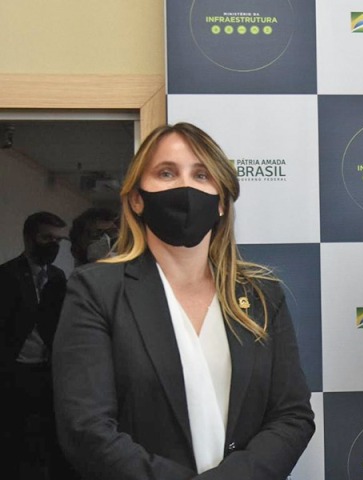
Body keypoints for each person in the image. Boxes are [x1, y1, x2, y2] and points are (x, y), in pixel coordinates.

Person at [52, 122, 315, 479]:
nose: (185, 188)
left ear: (220, 201)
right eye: (166, 173)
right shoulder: (96, 291)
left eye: (201, 175)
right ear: (137, 198)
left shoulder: (261, 295)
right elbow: (86, 429)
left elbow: (292, 415)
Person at [0, 211, 69, 479]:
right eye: (46, 238)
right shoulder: (6, 275)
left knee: (43, 438)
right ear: (29, 238)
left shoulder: (58, 277)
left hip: (47, 370)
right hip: (13, 371)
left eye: (58, 240)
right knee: (12, 437)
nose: (53, 244)